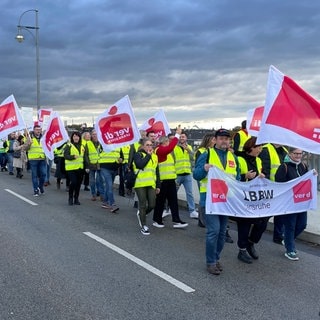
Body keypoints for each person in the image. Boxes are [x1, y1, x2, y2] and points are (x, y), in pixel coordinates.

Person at [193, 128, 240, 275]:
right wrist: (205, 169)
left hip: (226, 200)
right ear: (215, 140)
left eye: (227, 139)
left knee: (221, 233)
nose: (224, 141)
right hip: (209, 200)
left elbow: (237, 178)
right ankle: (211, 262)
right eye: (221, 138)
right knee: (213, 231)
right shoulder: (206, 154)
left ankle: (216, 257)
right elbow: (196, 175)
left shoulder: (233, 157)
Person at [275, 147, 313, 261]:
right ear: (290, 154)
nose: (298, 156)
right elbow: (279, 184)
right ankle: (290, 249)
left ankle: (287, 240)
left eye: (300, 154)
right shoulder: (284, 167)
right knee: (290, 226)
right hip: (289, 203)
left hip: (301, 202)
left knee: (302, 225)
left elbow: (307, 181)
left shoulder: (304, 166)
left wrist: (313, 174)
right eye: (295, 153)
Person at [235, 137, 269, 263]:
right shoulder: (240, 159)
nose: (260, 150)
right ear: (251, 147)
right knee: (245, 223)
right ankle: (242, 250)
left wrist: (263, 176)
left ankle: (251, 242)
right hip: (243, 197)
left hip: (257, 196)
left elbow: (263, 173)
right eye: (258, 147)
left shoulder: (259, 160)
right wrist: (246, 176)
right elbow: (234, 178)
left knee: (263, 220)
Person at [153, 126, 188, 229]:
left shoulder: (167, 153)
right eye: (168, 141)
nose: (169, 143)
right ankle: (157, 219)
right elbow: (170, 148)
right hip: (163, 181)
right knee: (160, 201)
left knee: (173, 201)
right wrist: (177, 134)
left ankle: (176, 220)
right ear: (164, 142)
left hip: (171, 180)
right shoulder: (159, 150)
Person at [260, 143, 288, 244]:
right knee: (265, 215)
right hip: (269, 189)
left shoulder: (284, 150)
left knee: (280, 214)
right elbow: (264, 170)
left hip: (281, 188)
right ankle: (255, 233)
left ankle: (278, 236)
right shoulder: (265, 149)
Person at [133, 138, 160, 235]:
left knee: (152, 204)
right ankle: (143, 225)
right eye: (147, 145)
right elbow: (140, 165)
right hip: (140, 184)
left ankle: (141, 213)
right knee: (143, 204)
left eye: (151, 145)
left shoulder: (155, 157)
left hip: (151, 184)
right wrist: (148, 155)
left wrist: (158, 185)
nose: (149, 147)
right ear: (143, 146)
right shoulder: (138, 154)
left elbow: (156, 171)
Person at [173, 132, 198, 219]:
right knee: (172, 193)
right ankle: (168, 209)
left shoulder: (190, 147)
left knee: (190, 193)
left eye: (183, 137)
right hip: (177, 174)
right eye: (180, 137)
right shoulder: (175, 148)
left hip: (187, 174)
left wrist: (188, 150)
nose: (181, 138)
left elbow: (193, 158)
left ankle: (192, 211)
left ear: (186, 138)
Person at [194, 133, 215, 227]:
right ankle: (202, 219)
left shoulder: (214, 151)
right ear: (209, 140)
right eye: (213, 139)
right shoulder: (202, 151)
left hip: (212, 180)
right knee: (203, 199)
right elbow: (198, 164)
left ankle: (202, 219)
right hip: (203, 178)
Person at [64, 132, 86, 205]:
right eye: (74, 136)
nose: (76, 138)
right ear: (72, 137)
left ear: (79, 138)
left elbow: (84, 157)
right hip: (71, 168)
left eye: (77, 136)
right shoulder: (69, 145)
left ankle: (76, 198)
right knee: (73, 182)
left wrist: (87, 167)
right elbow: (65, 155)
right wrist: (72, 157)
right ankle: (70, 198)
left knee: (78, 184)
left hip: (80, 168)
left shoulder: (82, 146)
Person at [25, 125, 47, 196]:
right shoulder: (29, 137)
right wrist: (29, 144)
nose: (38, 131)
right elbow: (25, 148)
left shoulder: (43, 138)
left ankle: (40, 186)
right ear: (34, 130)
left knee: (43, 174)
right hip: (33, 159)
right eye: (37, 129)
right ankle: (36, 190)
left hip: (42, 158)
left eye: (39, 129)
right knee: (34, 175)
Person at [99, 147, 123, 213]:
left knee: (108, 186)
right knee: (109, 186)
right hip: (105, 168)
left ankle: (105, 202)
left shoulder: (119, 146)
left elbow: (121, 157)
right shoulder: (104, 144)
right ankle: (112, 204)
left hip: (114, 169)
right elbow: (99, 153)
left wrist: (121, 160)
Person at [84, 130, 104, 201]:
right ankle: (93, 194)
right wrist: (87, 166)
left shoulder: (101, 143)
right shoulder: (88, 143)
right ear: (91, 136)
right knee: (92, 181)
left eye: (96, 134)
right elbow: (85, 155)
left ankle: (102, 194)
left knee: (99, 181)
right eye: (93, 134)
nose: (95, 136)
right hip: (91, 165)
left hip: (99, 165)